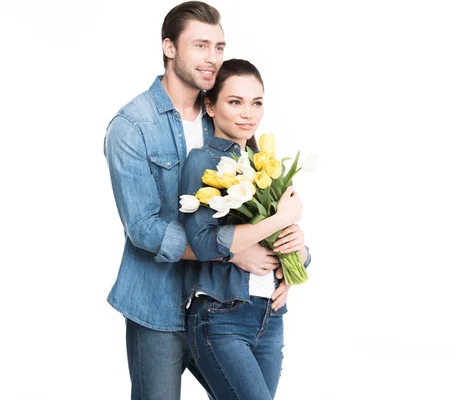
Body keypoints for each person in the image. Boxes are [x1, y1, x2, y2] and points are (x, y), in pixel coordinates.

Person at [104, 3, 287, 399]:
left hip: (223, 304)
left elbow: (260, 200)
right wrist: (229, 251)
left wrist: (285, 263)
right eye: (201, 46)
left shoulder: (222, 111)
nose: (212, 59)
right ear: (169, 48)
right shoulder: (132, 126)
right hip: (156, 304)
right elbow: (143, 227)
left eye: (219, 47)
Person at [181, 59, 312, 400]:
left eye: (256, 102)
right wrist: (280, 220)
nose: (248, 113)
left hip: (270, 318)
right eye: (234, 102)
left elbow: (283, 244)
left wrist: (299, 251)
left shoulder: (263, 165)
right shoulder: (203, 161)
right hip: (221, 318)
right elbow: (204, 242)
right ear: (209, 105)